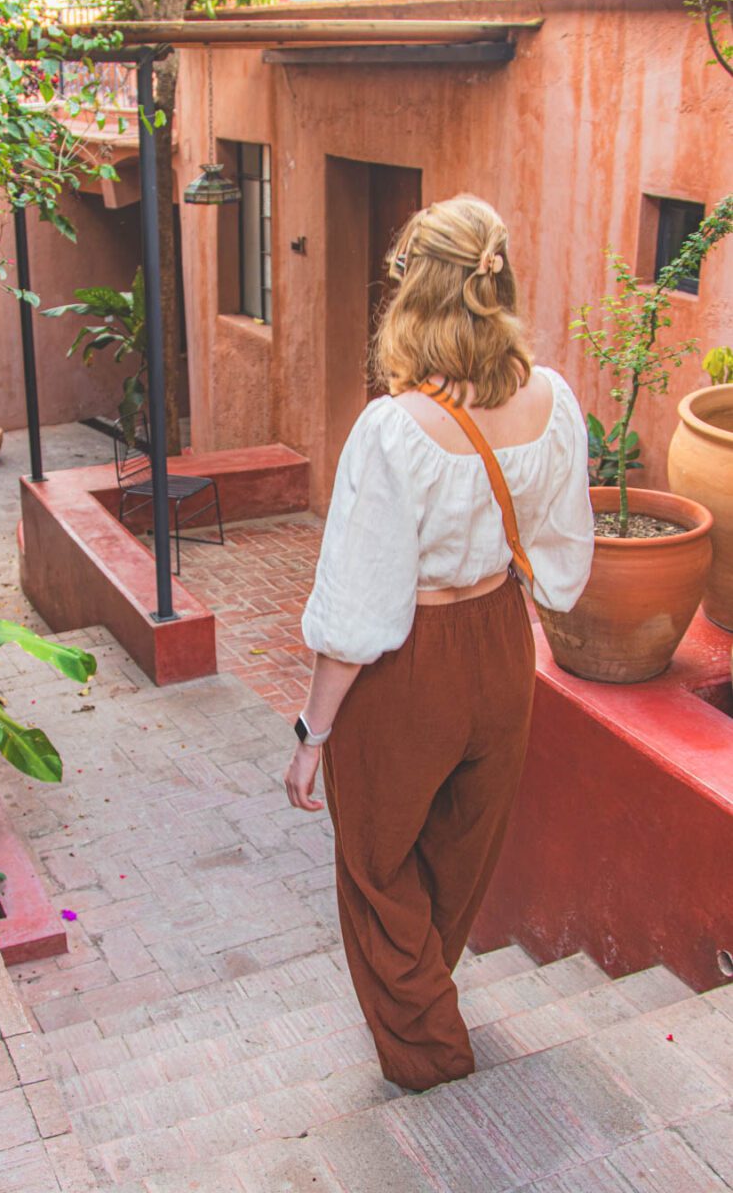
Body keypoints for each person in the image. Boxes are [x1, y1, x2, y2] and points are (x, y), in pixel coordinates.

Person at [285, 194, 594, 1092]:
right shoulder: (553, 398)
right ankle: (427, 999)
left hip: (405, 667)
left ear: (409, 291)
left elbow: (355, 606)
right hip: (502, 647)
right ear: (496, 278)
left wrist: (311, 736)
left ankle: (429, 1051)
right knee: (458, 851)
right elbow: (563, 558)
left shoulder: (392, 428)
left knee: (376, 864)